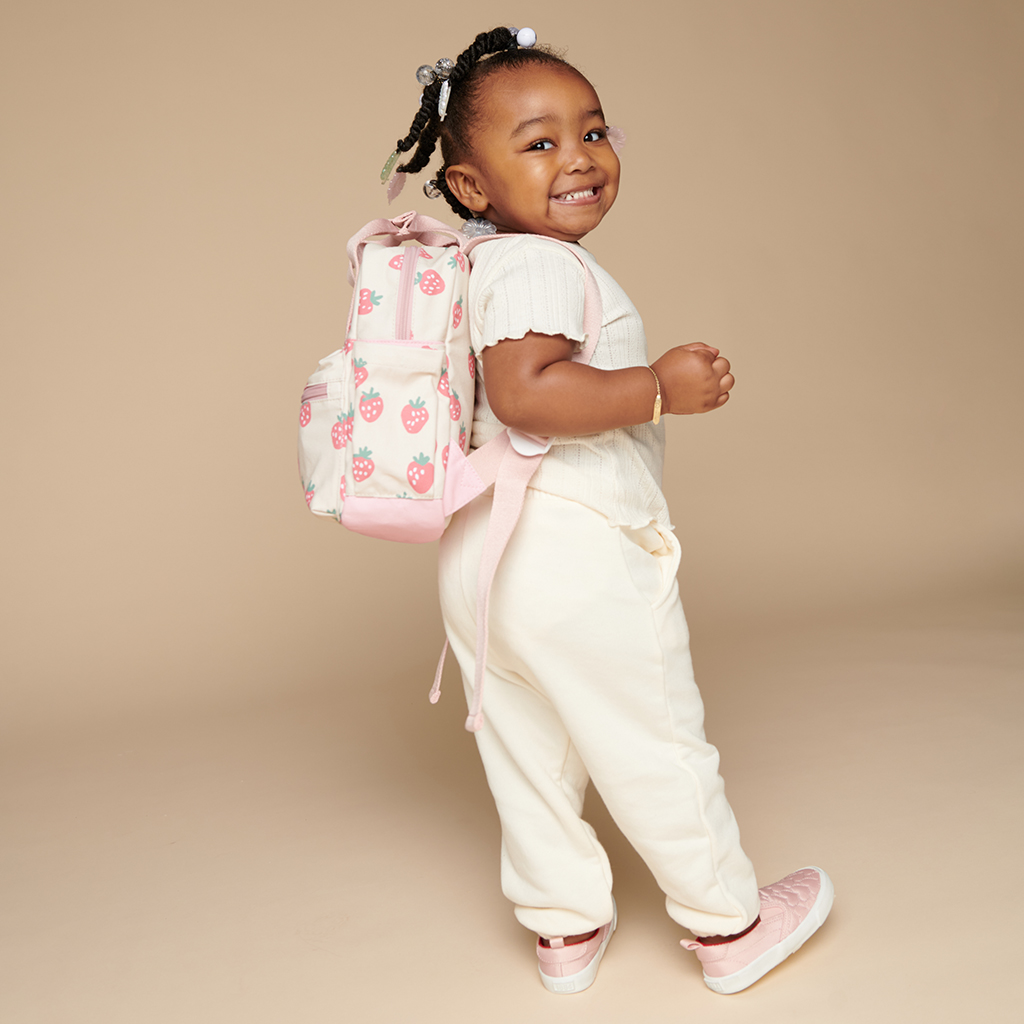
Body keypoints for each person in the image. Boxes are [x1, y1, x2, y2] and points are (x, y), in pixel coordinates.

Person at [388, 26, 833, 995]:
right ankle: (729, 925)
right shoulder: (544, 267)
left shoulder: (472, 264)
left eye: (593, 130)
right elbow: (529, 394)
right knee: (652, 736)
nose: (580, 157)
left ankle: (562, 925)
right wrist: (660, 386)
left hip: (481, 556)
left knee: (524, 744)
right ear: (469, 185)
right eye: (538, 142)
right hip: (570, 548)